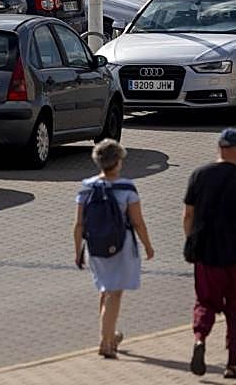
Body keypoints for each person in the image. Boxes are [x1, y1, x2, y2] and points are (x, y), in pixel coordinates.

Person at [183, 128, 236, 380]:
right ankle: (232, 364)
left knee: (205, 302)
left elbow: (188, 215)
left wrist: (192, 242)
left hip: (207, 256)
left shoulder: (199, 175)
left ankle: (199, 339)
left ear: (220, 148)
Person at [73, 139, 154, 359]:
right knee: (114, 293)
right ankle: (106, 342)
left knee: (105, 290)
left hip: (95, 246)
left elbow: (79, 224)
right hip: (121, 244)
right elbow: (137, 222)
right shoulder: (127, 187)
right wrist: (147, 246)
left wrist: (78, 250)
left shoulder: (87, 187)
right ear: (117, 161)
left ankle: (110, 334)